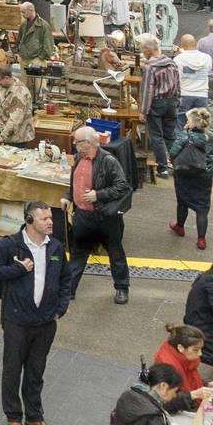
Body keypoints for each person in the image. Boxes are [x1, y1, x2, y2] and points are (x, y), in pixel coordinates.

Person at [0, 201, 68, 425]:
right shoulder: (11, 245)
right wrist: (17, 270)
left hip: (46, 322)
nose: (50, 222)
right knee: (12, 370)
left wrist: (61, 307)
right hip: (16, 321)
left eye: (51, 218)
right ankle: (14, 418)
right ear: (29, 221)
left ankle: (35, 417)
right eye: (44, 219)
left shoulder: (56, 248)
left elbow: (66, 279)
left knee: (36, 372)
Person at [67, 125, 133, 304]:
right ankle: (69, 289)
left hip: (105, 218)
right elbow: (74, 182)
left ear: (88, 143)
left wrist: (98, 194)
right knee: (78, 254)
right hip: (83, 216)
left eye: (77, 141)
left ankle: (121, 288)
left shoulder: (108, 161)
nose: (74, 144)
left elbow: (122, 186)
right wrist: (68, 197)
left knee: (115, 253)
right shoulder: (80, 157)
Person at [169, 107, 213, 248]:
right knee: (202, 207)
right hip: (204, 175)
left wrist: (185, 131)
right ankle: (201, 239)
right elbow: (210, 155)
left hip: (185, 174)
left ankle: (180, 227)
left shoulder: (185, 135)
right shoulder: (210, 136)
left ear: (192, 123)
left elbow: (173, 152)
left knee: (182, 201)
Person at [137, 33, 181, 179]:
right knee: (171, 135)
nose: (143, 54)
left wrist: (143, 110)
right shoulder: (172, 62)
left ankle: (162, 168)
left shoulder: (150, 67)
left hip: (157, 103)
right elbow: (177, 83)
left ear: (148, 51)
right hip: (171, 102)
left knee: (157, 137)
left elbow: (147, 90)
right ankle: (177, 165)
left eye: (143, 51)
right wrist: (177, 100)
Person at [152, 325, 213, 411]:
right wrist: (193, 395)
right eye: (195, 350)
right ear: (180, 348)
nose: (200, 353)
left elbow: (190, 379)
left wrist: (208, 384)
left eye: (201, 349)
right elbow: (163, 404)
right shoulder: (168, 368)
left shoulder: (183, 359)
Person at [110, 364, 183, 425]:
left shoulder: (127, 395)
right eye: (175, 391)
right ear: (163, 386)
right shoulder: (154, 418)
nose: (174, 395)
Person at [0, 66, 37, 148]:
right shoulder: (3, 87)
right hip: (5, 135)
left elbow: (16, 118)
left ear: (6, 78)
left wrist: (2, 136)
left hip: (18, 138)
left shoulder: (19, 92)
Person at [175, 33, 213, 118]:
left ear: (182, 45)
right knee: (200, 122)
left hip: (185, 93)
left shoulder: (178, 59)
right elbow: (209, 71)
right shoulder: (207, 58)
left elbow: (176, 77)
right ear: (196, 43)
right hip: (202, 94)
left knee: (182, 122)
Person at [17, 2, 57, 66]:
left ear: (31, 10)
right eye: (21, 12)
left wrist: (40, 58)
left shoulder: (43, 25)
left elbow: (48, 44)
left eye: (23, 12)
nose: (22, 14)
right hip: (24, 58)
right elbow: (19, 40)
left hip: (37, 60)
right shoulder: (23, 25)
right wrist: (19, 51)